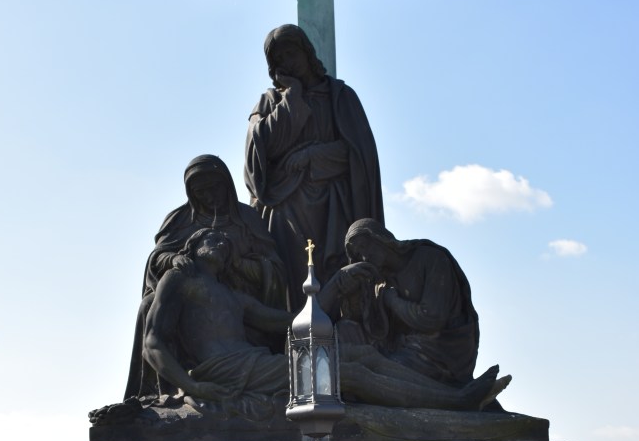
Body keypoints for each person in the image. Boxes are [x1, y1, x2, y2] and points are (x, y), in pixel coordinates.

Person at [143, 228, 509, 412]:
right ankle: (457, 402)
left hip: (253, 364)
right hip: (225, 371)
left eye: (226, 240)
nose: (222, 242)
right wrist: (194, 387)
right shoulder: (180, 279)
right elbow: (153, 343)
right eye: (212, 237)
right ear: (192, 246)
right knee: (347, 374)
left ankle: (454, 394)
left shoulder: (234, 297)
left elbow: (295, 322)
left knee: (362, 354)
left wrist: (335, 285)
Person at [245, 24, 384, 310]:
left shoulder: (339, 97)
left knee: (336, 279)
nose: (287, 62)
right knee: (291, 285)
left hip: (334, 208)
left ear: (306, 52)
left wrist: (313, 155)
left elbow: (360, 155)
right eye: (279, 58)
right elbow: (257, 158)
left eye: (291, 53)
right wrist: (292, 97)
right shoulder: (269, 102)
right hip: (286, 211)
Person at [124, 155, 286, 399]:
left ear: (226, 185)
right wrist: (173, 259)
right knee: (150, 305)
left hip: (239, 297)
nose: (210, 197)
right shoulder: (179, 220)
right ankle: (163, 389)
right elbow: (157, 257)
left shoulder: (247, 218)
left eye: (215, 188)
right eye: (201, 192)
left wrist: (238, 265)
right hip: (192, 298)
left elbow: (274, 268)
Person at [322, 219, 480, 387]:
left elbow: (432, 319)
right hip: (404, 348)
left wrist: (393, 301)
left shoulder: (431, 258)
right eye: (359, 254)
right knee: (346, 331)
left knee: (371, 370)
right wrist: (343, 285)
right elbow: (374, 329)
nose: (365, 257)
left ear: (380, 238)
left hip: (441, 352)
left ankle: (454, 395)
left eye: (365, 246)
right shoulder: (380, 281)